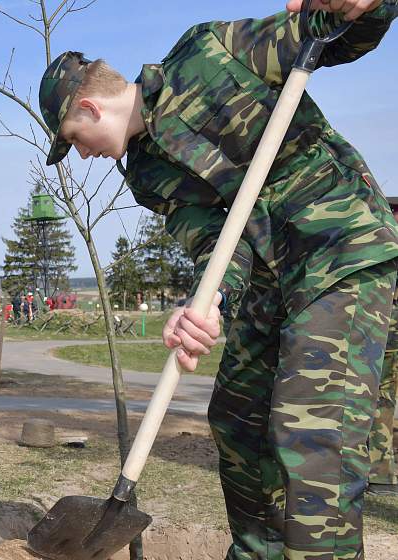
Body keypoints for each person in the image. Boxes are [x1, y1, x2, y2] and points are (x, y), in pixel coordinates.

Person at [39, 2, 398, 558]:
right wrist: (200, 303)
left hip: (337, 252)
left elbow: (327, 33)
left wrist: (369, 5)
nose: (81, 155)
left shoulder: (208, 53)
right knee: (236, 420)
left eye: (74, 141)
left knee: (313, 430)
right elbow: (213, 242)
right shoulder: (144, 171)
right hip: (266, 285)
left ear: (88, 107)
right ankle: (259, 552)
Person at [368, 197, 398, 495]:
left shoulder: (380, 237)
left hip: (382, 322)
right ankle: (378, 472)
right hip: (382, 321)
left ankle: (377, 473)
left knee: (375, 397)